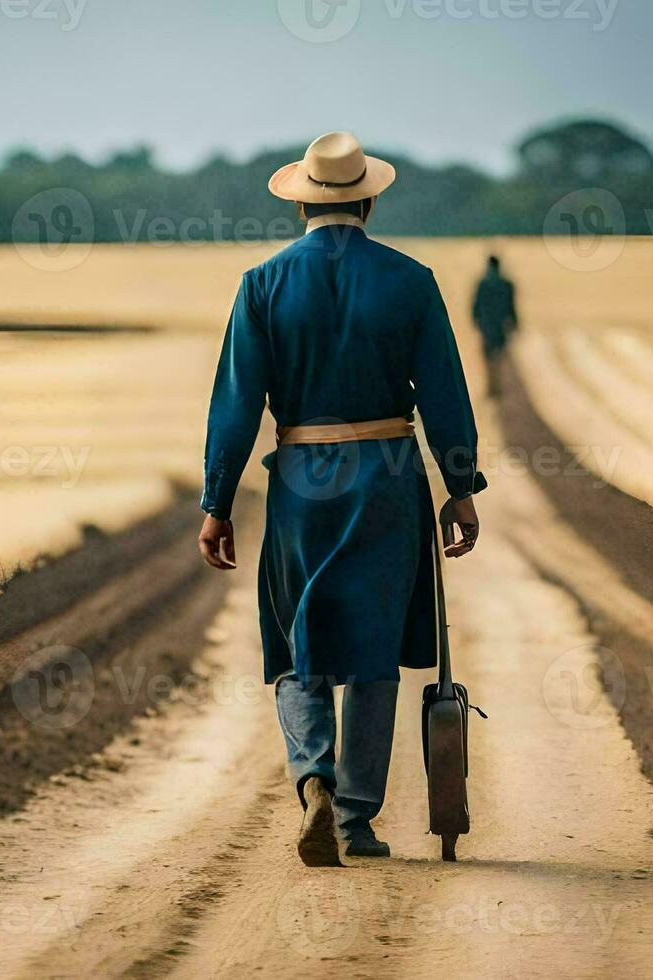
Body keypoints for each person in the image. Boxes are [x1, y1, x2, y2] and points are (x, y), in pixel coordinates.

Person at [196, 132, 485, 866]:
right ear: (370, 198)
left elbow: (236, 403)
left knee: (300, 642)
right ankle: (355, 818)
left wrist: (217, 501)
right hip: (388, 477)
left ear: (300, 204)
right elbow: (446, 393)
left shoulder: (262, 284)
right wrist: (460, 487)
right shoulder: (411, 280)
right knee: (373, 651)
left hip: (300, 478)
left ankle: (313, 779)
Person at [472, 254, 518, 397]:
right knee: (497, 357)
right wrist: (514, 322)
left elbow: (476, 307)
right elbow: (511, 307)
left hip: (488, 326)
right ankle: (495, 386)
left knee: (489, 357)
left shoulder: (483, 284)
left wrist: (476, 321)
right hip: (499, 326)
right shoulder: (506, 284)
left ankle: (492, 386)